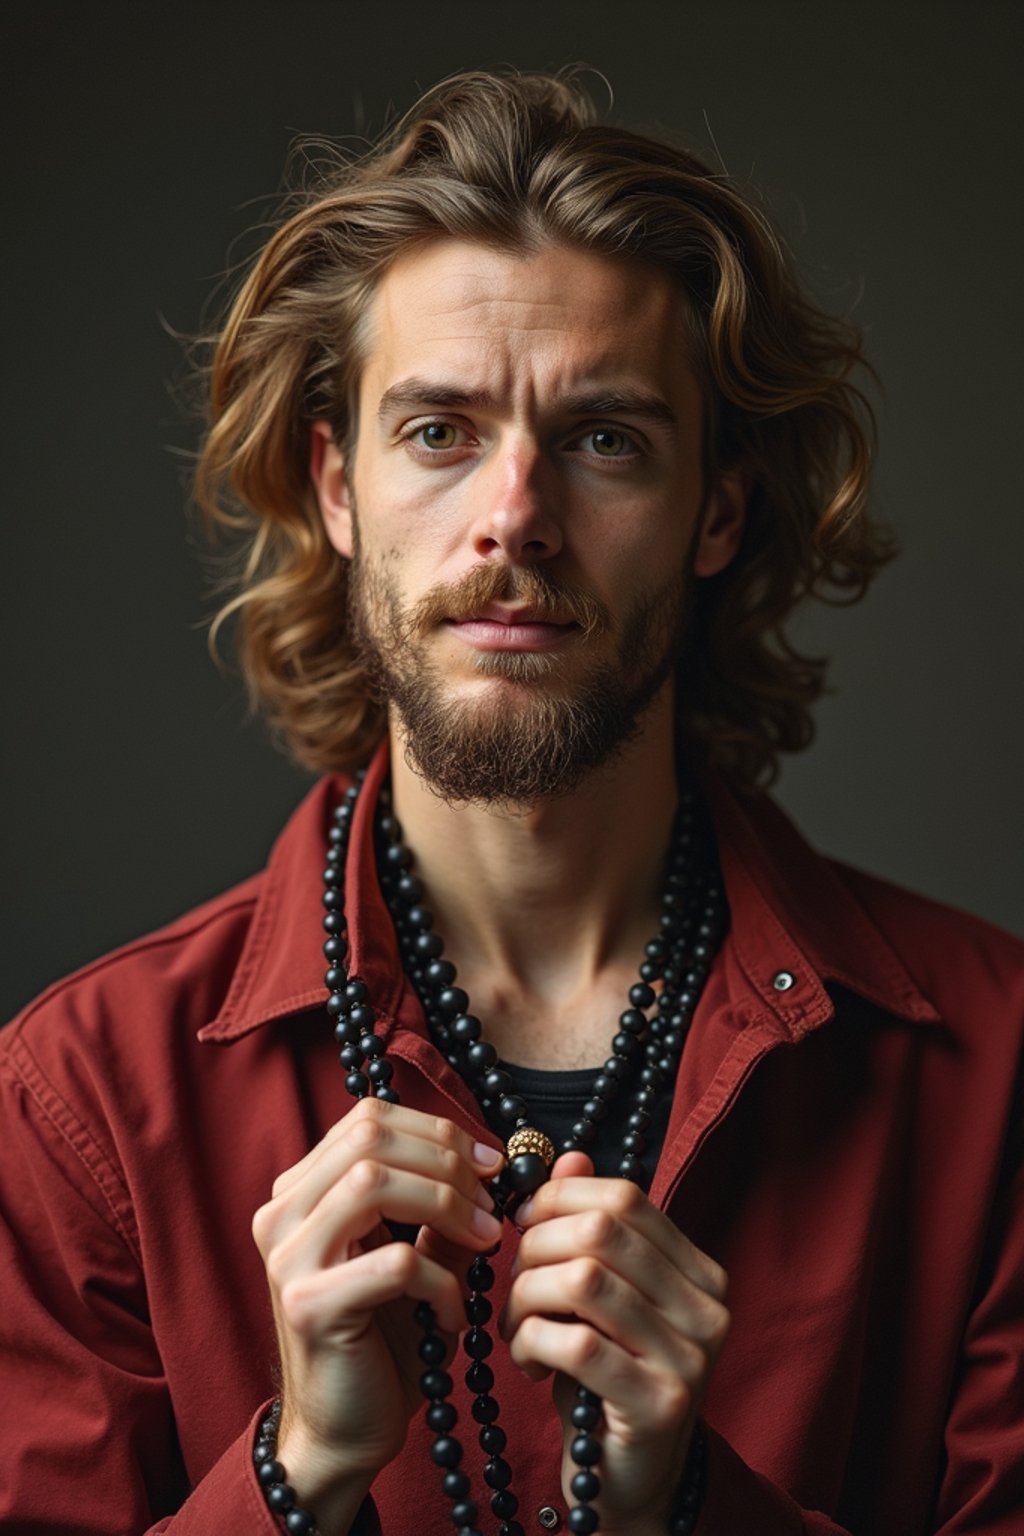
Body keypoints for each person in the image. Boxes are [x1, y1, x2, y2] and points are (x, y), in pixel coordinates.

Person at [1, 69, 1021, 1536]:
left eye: (606, 437)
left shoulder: (991, 1081)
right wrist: (292, 1477)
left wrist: (691, 1511)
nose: (515, 514)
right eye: (439, 432)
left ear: (719, 509)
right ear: (337, 484)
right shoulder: (78, 1104)